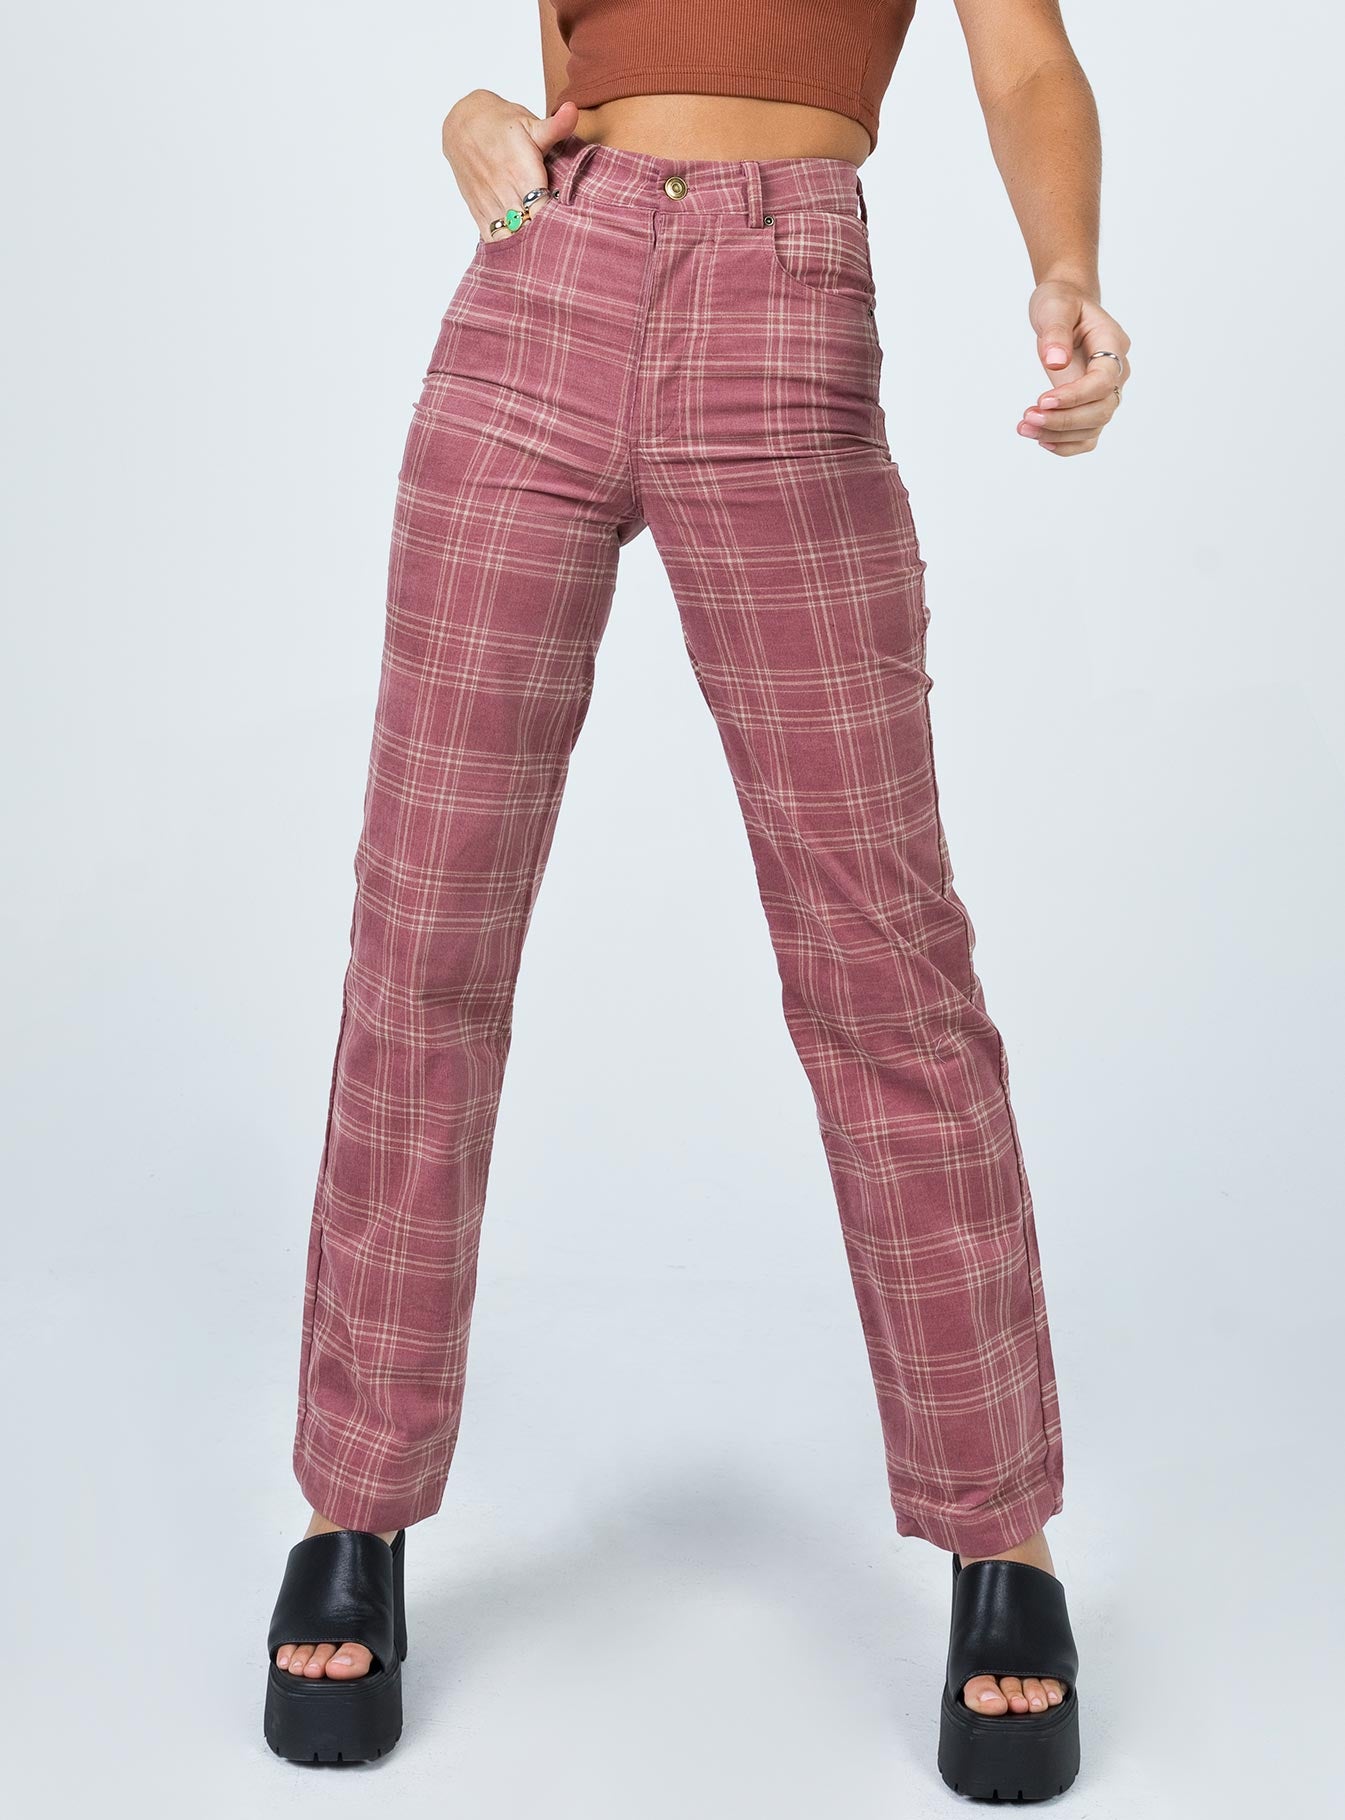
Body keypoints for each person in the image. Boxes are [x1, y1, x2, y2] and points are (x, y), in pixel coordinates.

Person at [263, 0, 1127, 1794]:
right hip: (534, 306)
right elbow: (566, 81)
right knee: (423, 934)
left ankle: (1000, 1535)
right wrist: (467, 120)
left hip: (779, 305)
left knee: (882, 966)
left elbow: (1025, 57)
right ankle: (353, 1509)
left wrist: (1065, 266)